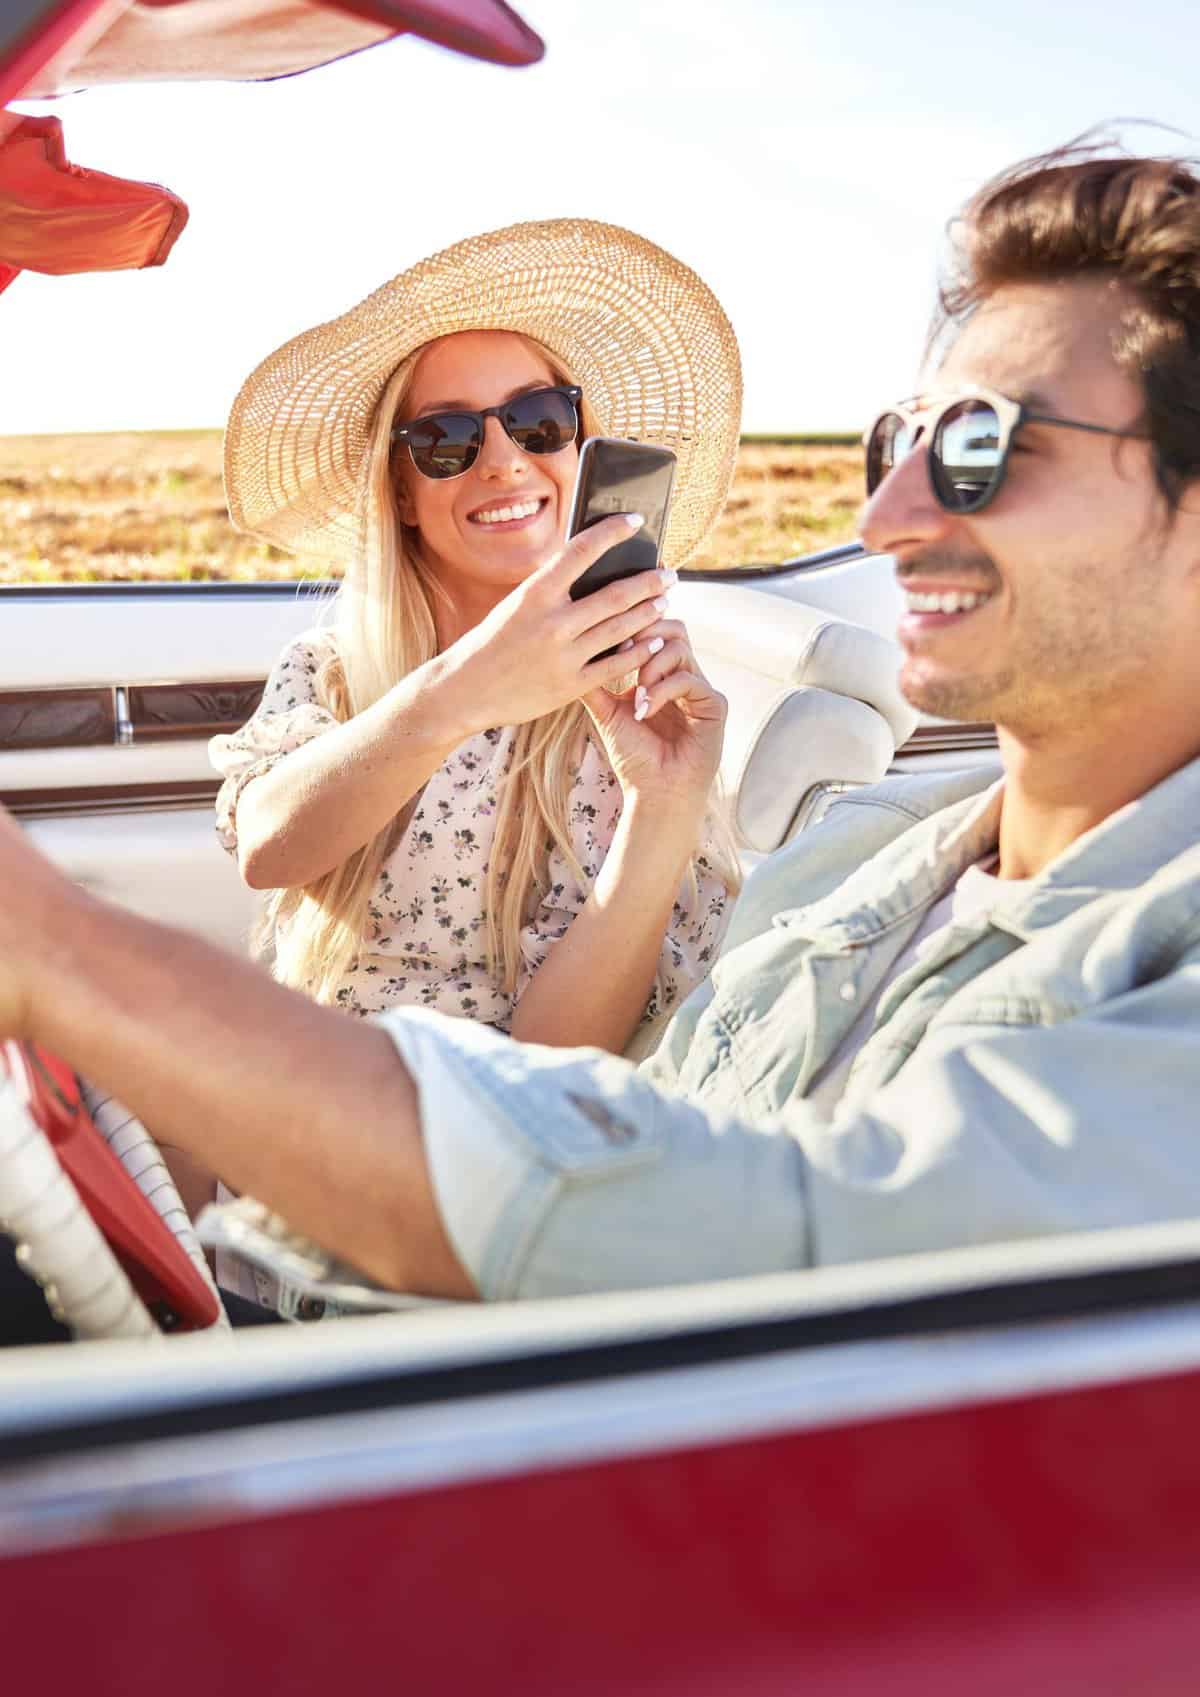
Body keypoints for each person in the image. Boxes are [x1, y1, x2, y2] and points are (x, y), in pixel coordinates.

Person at [3, 139, 1200, 1308]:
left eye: (984, 446)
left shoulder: (1147, 957)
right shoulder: (871, 848)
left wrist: (74, 961)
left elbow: (759, 1217)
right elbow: (659, 1111)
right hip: (346, 1218)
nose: (883, 516)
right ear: (402, 494)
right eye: (905, 441)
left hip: (442, 1276)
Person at [211, 219, 741, 1047]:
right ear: (400, 493)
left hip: (506, 1127)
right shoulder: (338, 671)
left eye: (537, 419)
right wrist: (465, 688)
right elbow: (267, 848)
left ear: (580, 444)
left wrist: (665, 803)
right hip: (324, 1091)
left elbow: (552, 1059)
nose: (502, 461)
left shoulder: (632, 699)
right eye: (447, 438)